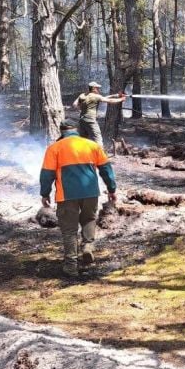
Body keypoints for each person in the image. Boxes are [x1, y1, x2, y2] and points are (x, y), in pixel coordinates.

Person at [40, 119, 118, 277]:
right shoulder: (92, 145)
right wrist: (111, 189)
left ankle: (71, 266)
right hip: (90, 192)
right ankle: (88, 246)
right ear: (76, 130)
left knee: (69, 230)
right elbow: (106, 168)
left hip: (66, 195)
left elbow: (47, 174)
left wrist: (45, 193)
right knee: (89, 219)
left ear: (62, 132)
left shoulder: (54, 148)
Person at [72, 81, 126, 147]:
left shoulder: (82, 95)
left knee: (83, 140)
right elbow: (110, 101)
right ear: (93, 88)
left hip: (82, 120)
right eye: (97, 88)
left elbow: (74, 104)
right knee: (98, 140)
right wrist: (121, 99)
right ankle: (100, 154)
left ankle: (80, 155)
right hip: (90, 121)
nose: (99, 89)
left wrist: (116, 95)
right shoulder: (96, 96)